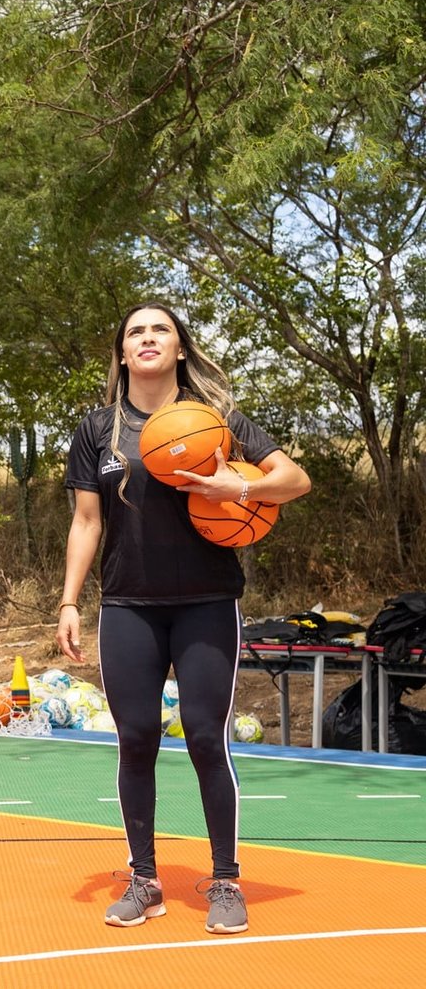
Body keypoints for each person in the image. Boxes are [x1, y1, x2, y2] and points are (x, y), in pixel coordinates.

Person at [57, 302, 310, 936]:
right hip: (127, 605)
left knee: (204, 737)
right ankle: (144, 880)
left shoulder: (217, 420)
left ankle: (225, 880)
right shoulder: (97, 429)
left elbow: (294, 480)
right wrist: (69, 602)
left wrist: (239, 489)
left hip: (206, 601)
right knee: (136, 738)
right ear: (122, 354)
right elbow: (86, 521)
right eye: (135, 332)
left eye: (160, 330)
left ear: (180, 348)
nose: (147, 338)